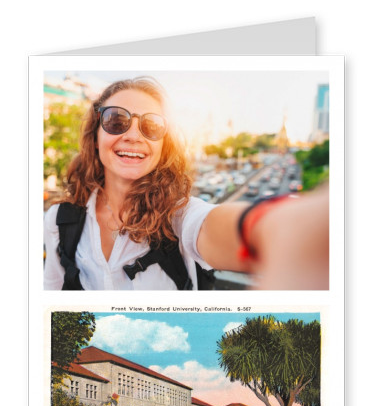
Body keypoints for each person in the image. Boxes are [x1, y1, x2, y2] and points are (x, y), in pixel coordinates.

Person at [44, 77, 329, 290]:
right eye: (116, 120)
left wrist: (277, 227)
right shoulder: (59, 221)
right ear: (95, 135)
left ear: (163, 145)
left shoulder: (178, 216)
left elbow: (211, 226)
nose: (133, 136)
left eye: (151, 125)